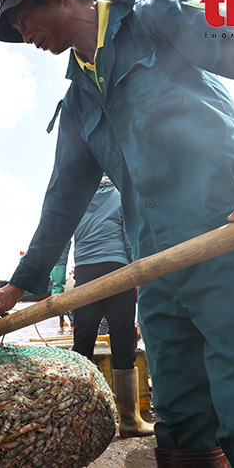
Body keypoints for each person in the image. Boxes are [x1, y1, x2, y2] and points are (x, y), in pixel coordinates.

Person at [0, 0, 234, 466]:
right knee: (181, 421)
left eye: (22, 18)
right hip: (154, 267)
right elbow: (64, 195)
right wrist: (21, 284)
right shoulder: (79, 97)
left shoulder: (155, 21)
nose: (23, 35)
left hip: (227, 240)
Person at [61, 175, 154, 438]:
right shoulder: (120, 195)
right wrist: (135, 268)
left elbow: (62, 242)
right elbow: (128, 235)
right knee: (123, 340)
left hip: (85, 275)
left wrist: (57, 286)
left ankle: (78, 420)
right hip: (118, 271)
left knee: (82, 345)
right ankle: (129, 420)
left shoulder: (75, 198)